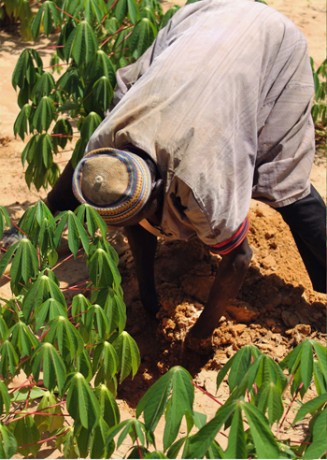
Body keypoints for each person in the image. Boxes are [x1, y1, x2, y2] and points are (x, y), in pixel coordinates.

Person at [4, 0, 326, 349]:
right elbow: (134, 219)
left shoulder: (202, 188)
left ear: (160, 187)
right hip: (205, 19)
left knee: (281, 178)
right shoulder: (106, 142)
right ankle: (33, 225)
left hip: (273, 45)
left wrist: (201, 333)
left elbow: (239, 258)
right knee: (101, 178)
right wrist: (149, 299)